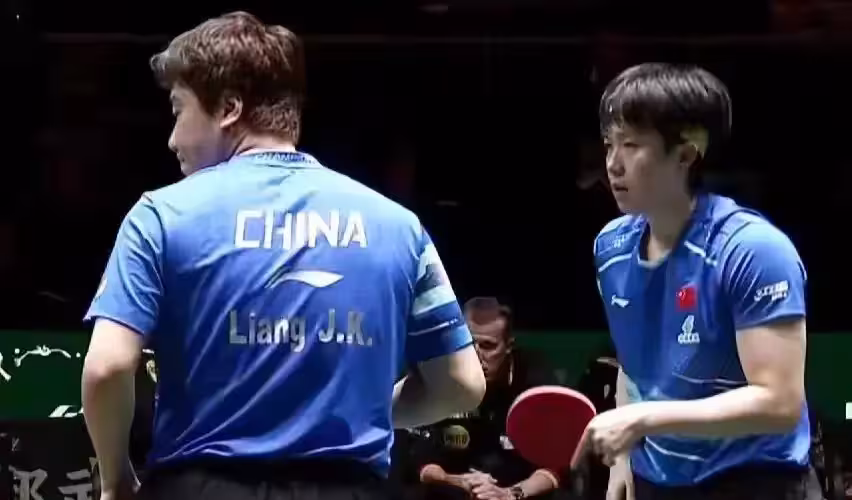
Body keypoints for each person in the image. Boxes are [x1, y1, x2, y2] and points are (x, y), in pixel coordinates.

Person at [81, 11, 485, 500]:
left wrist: (115, 478)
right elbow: (462, 385)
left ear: (229, 108)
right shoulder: (400, 227)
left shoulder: (160, 216)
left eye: (178, 110)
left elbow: (107, 368)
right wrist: (363, 411)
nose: (172, 139)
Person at [580, 63, 810, 500]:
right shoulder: (611, 249)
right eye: (609, 144)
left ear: (685, 155)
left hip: (753, 480)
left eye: (631, 145)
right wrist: (625, 457)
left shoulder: (751, 250)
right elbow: (634, 366)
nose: (613, 163)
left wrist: (642, 420)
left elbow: (779, 403)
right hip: (658, 481)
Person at [411, 297, 566, 500]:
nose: (474, 355)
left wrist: (509, 494)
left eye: (487, 346)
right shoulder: (440, 376)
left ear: (508, 346)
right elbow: (422, 462)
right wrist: (457, 481)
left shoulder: (536, 383)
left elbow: (555, 466)